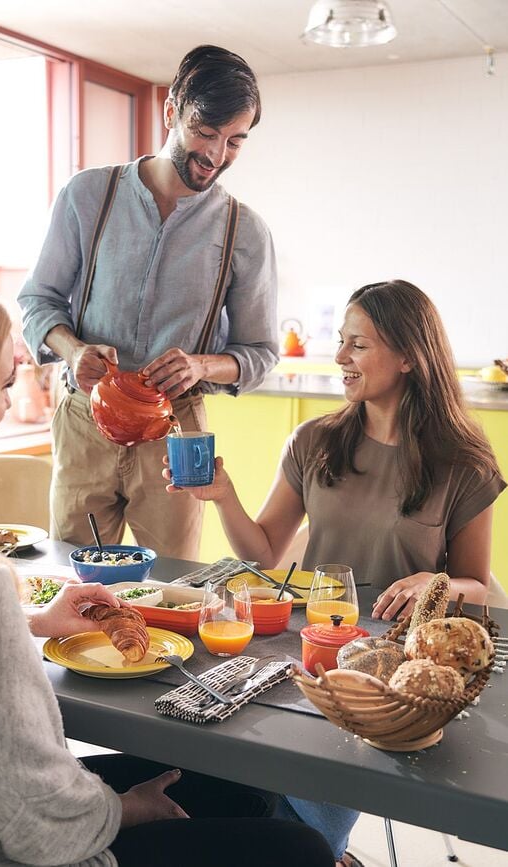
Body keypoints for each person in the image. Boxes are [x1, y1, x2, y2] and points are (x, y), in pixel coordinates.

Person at [0, 267, 334, 867]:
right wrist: (125, 806)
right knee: (297, 847)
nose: (8, 403)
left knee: (237, 790)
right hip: (15, 851)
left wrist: (33, 621)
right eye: (2, 385)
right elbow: (38, 824)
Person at [164, 278, 506, 867]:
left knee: (315, 767)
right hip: (313, 646)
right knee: (226, 745)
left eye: (359, 345)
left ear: (407, 356)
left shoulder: (464, 463)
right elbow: (265, 552)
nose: (341, 358)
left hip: (396, 666)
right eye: (340, 342)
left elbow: (480, 586)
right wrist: (224, 497)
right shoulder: (314, 441)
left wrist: (440, 582)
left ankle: (316, 849)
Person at [18, 44, 278, 559]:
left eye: (234, 142)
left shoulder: (244, 231)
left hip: (177, 433)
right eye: (205, 132)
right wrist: (73, 351)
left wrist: (200, 364)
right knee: (76, 578)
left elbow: (261, 352)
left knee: (174, 586)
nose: (216, 155)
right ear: (170, 112)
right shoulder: (87, 195)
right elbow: (38, 301)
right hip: (84, 419)